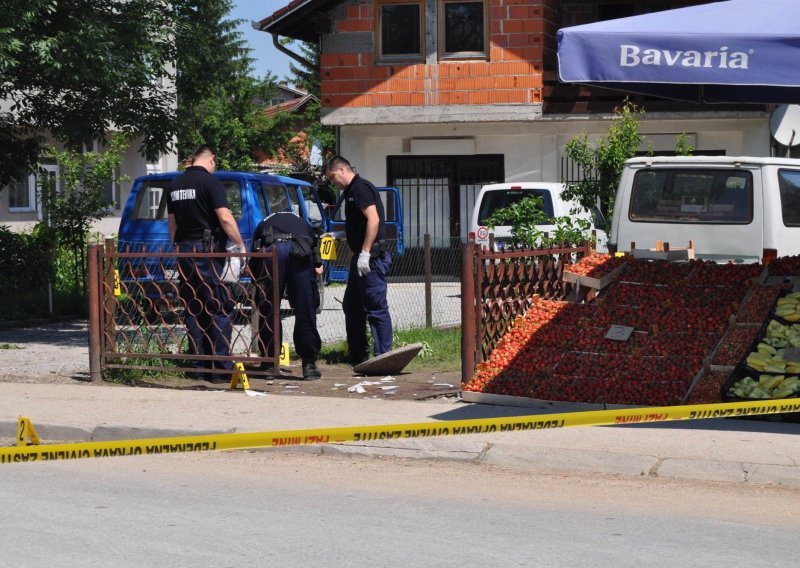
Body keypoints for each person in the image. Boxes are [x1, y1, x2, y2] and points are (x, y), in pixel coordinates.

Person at [167, 145, 245, 383]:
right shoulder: (211, 183)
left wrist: (177, 247)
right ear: (212, 159)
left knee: (193, 306)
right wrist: (240, 244)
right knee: (219, 305)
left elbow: (172, 223)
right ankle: (220, 368)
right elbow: (224, 217)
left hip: (184, 251)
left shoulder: (174, 185)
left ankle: (198, 365)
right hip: (207, 251)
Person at [324, 156, 393, 363]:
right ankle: (358, 354)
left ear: (342, 169)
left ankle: (383, 357)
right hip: (359, 259)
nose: (333, 183)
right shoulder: (350, 192)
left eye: (333, 177)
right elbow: (359, 225)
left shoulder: (360, 188)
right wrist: (340, 236)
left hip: (371, 259)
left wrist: (365, 252)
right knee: (352, 305)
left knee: (375, 306)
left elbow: (374, 219)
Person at [250, 212, 323, 380]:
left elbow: (255, 252)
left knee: (269, 308)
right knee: (305, 307)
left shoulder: (263, 222)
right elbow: (314, 248)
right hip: (300, 250)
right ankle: (309, 365)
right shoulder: (302, 221)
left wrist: (256, 278)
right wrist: (318, 265)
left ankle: (269, 364)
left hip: (272, 250)